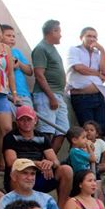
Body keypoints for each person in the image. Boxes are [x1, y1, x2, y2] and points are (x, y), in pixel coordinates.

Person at [2, 105, 73, 209]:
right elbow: (11, 162)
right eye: (22, 119)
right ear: (17, 122)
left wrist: (49, 163)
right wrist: (35, 164)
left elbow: (55, 161)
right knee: (16, 171)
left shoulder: (42, 137)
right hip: (20, 176)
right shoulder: (10, 137)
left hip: (39, 176)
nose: (26, 122)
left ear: (35, 120)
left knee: (66, 170)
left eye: (29, 119)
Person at [31, 20, 69, 154]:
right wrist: (51, 97)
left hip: (58, 94)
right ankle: (42, 161)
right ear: (51, 31)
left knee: (63, 130)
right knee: (46, 130)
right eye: (58, 31)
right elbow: (39, 74)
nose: (60, 35)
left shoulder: (53, 48)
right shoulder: (41, 48)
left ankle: (49, 161)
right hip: (45, 95)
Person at [66, 27, 105, 134]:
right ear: (81, 37)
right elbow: (79, 68)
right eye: (89, 36)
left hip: (98, 97)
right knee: (88, 131)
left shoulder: (97, 54)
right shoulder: (74, 50)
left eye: (95, 37)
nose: (92, 39)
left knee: (101, 131)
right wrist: (97, 74)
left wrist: (102, 50)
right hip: (82, 97)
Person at [2, 24, 33, 108]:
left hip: (23, 93)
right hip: (5, 94)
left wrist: (19, 63)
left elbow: (30, 71)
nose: (12, 38)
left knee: (27, 118)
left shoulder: (17, 52)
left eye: (13, 36)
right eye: (8, 35)